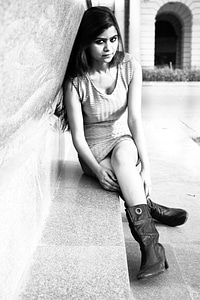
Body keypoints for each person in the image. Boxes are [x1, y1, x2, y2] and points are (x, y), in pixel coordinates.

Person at [61, 6, 188, 280]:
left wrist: (147, 167)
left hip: (122, 141)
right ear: (86, 42)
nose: (108, 48)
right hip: (92, 151)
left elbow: (134, 119)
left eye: (113, 39)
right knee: (122, 173)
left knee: (123, 162)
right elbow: (78, 138)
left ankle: (151, 248)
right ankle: (148, 207)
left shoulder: (129, 65)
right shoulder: (76, 82)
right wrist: (95, 170)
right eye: (99, 41)